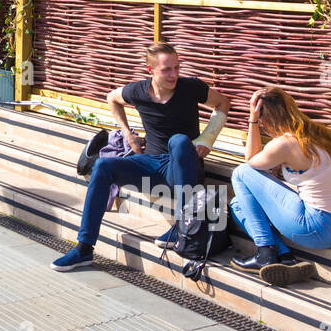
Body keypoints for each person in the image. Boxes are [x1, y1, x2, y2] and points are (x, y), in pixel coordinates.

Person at [52, 42, 231, 270]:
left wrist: (207, 139)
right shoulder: (138, 91)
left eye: (177, 67)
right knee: (103, 166)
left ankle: (182, 227)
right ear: (150, 70)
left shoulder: (190, 87)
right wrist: (128, 135)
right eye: (167, 69)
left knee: (178, 140)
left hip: (183, 163)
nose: (174, 74)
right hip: (152, 165)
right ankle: (84, 248)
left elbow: (223, 103)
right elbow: (112, 98)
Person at [228, 87, 331, 285]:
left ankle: (265, 252)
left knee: (240, 173)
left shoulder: (285, 143)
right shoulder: (317, 133)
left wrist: (252, 118)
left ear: (266, 120)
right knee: (238, 205)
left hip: (318, 229)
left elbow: (250, 160)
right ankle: (286, 257)